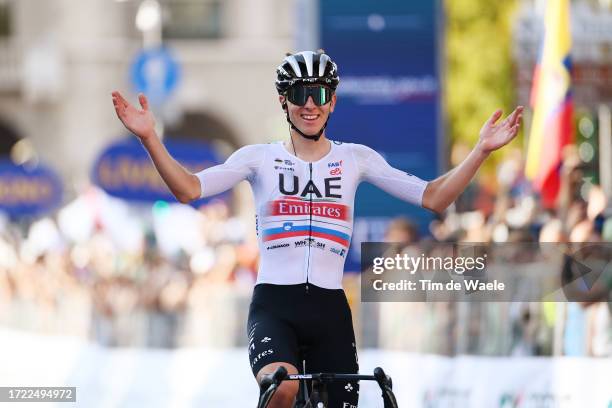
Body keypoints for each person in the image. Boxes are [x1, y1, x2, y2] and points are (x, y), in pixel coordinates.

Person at [112, 50, 523, 408]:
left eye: (320, 94)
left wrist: (481, 150)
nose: (309, 104)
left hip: (330, 309)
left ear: (332, 103)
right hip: (275, 306)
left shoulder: (355, 159)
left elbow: (433, 197)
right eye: (298, 95)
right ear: (283, 101)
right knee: (283, 389)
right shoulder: (259, 159)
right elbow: (189, 189)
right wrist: (150, 137)